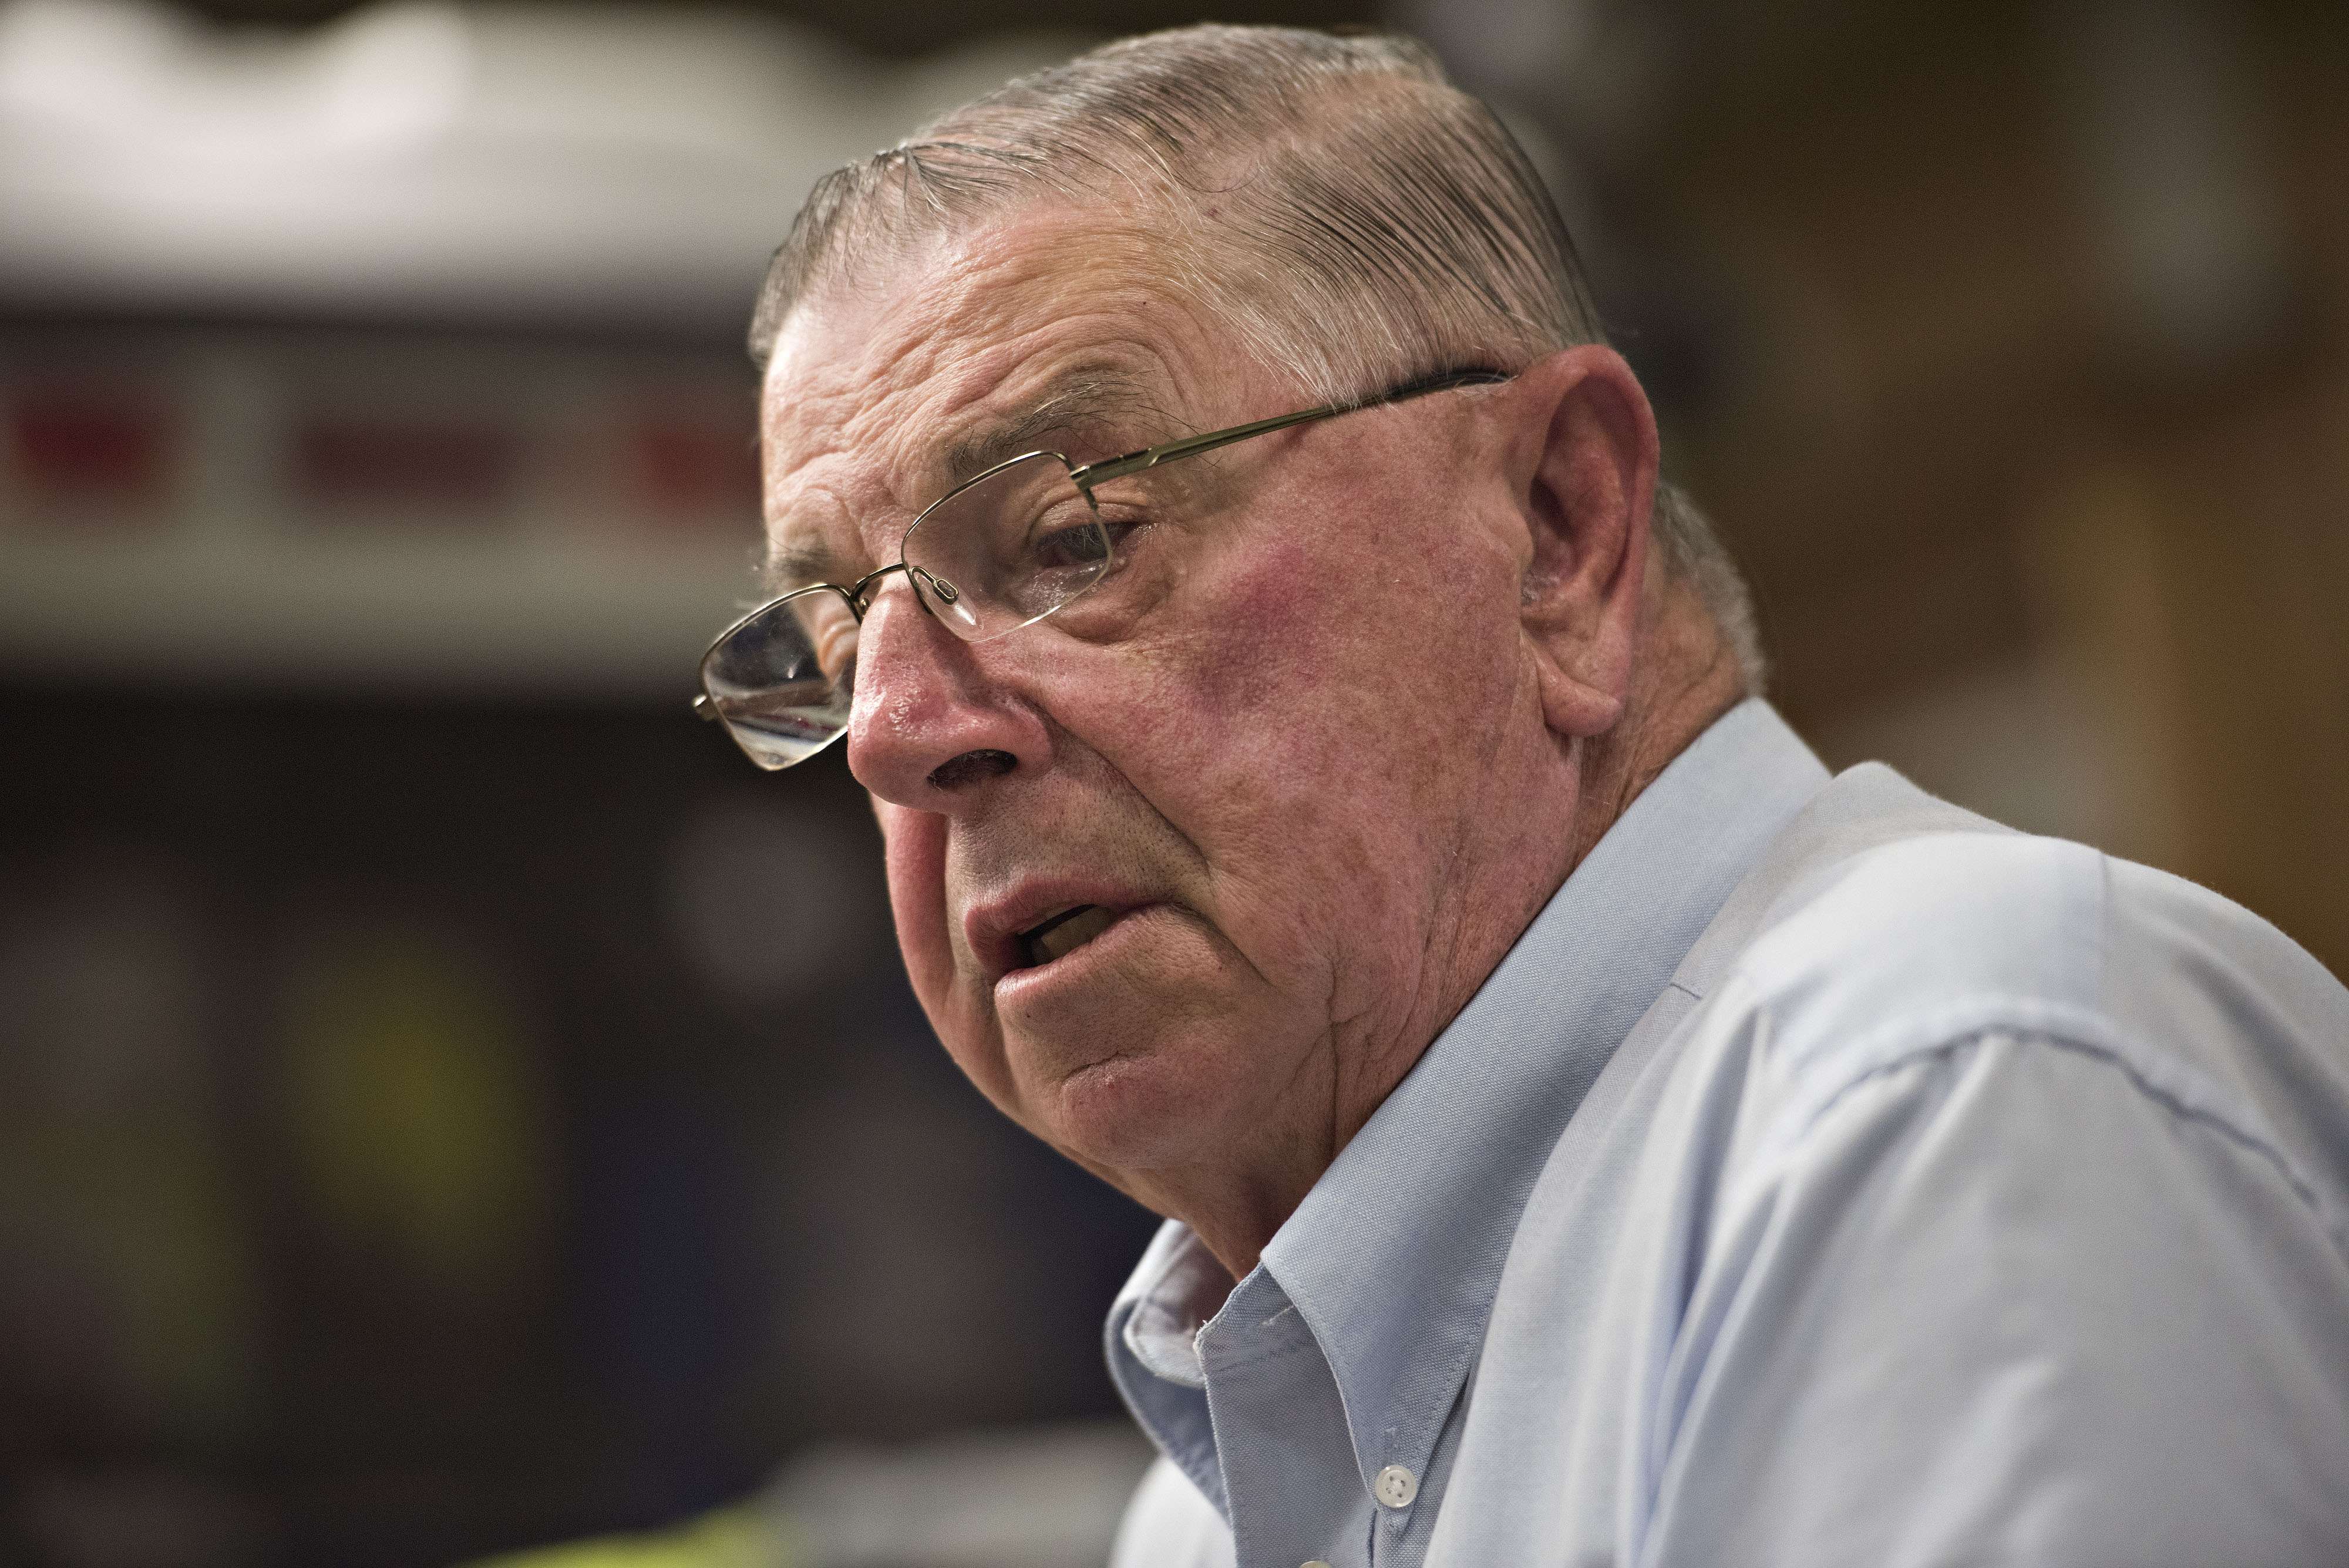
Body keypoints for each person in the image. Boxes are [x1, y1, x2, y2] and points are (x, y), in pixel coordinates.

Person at [693, 23, 2349, 1568]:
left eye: (1071, 541)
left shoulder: (1946, 1095)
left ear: (1559, 526)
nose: (899, 732)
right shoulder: (1203, 1517)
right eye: (841, 640)